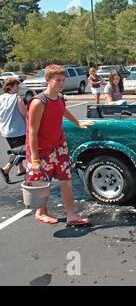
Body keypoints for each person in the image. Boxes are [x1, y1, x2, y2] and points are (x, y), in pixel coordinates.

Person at [26, 64, 94, 226]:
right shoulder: (39, 102)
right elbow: (32, 132)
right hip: (42, 151)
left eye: (63, 80)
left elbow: (63, 111)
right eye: (58, 80)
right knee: (42, 184)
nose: (61, 83)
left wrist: (78, 122)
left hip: (59, 147)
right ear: (48, 80)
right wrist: (34, 159)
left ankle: (71, 216)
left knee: (66, 180)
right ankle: (41, 212)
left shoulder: (60, 98)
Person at [0, 78, 27, 183]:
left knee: (16, 149)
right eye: (16, 85)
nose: (18, 87)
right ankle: (6, 169)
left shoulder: (1, 98)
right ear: (10, 87)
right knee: (20, 151)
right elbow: (24, 112)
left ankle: (21, 168)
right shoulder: (17, 98)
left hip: (5, 130)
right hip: (18, 130)